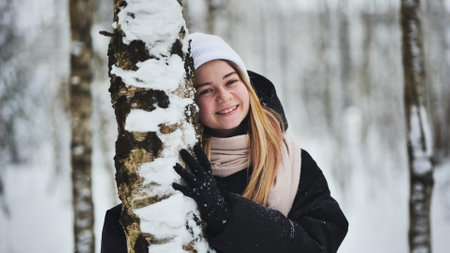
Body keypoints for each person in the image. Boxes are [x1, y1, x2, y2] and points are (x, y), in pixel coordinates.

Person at [101, 32, 348, 253]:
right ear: (190, 103)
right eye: (206, 90)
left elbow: (319, 243)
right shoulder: (179, 163)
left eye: (231, 81)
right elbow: (133, 226)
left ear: (247, 84)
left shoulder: (291, 161)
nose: (224, 96)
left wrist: (227, 215)